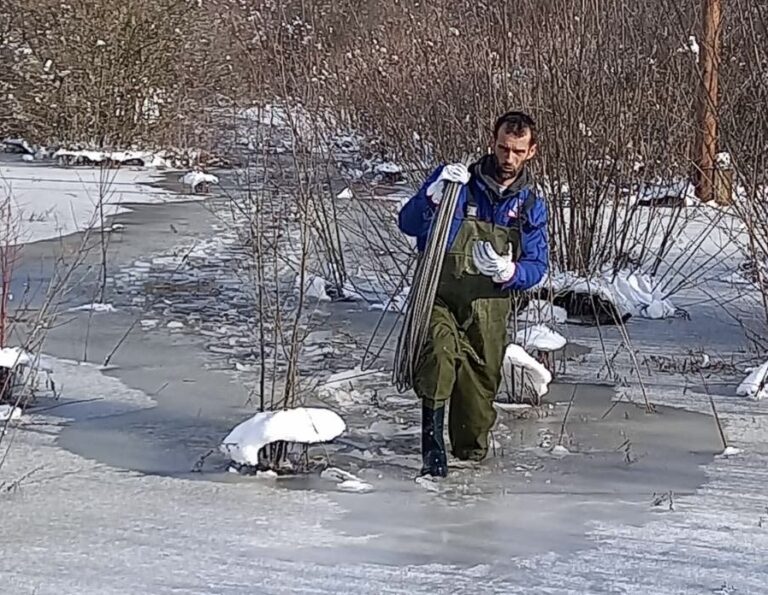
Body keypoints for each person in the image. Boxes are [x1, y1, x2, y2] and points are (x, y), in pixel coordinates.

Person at [397, 111, 549, 477]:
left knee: (477, 412)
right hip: (439, 293)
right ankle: (432, 450)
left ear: (531, 152)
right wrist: (432, 196)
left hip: (488, 307)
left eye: (516, 150)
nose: (507, 158)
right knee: (438, 356)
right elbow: (409, 224)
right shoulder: (457, 184)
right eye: (502, 148)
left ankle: (467, 452)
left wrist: (510, 271)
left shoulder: (530, 205)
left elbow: (537, 264)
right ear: (491, 142)